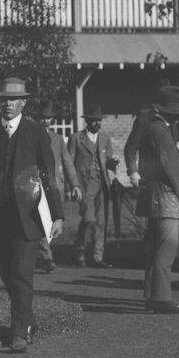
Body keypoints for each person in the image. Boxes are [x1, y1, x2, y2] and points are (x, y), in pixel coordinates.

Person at [0, 78, 64, 352]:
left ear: (23, 102)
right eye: (3, 100)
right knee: (7, 273)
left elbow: (48, 176)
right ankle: (28, 321)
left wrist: (57, 215)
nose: (8, 104)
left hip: (28, 214)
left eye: (13, 100)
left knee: (22, 273)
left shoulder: (35, 132)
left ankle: (18, 334)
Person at [136, 86, 179, 315]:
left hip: (153, 196)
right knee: (166, 250)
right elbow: (171, 166)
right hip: (167, 198)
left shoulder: (151, 127)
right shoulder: (162, 131)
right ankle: (161, 299)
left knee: (155, 249)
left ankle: (152, 296)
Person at [68, 104, 118, 268]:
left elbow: (108, 159)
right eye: (95, 121)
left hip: (102, 186)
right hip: (84, 185)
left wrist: (112, 164)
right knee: (89, 219)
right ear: (88, 122)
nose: (98, 124)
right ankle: (79, 250)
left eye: (99, 121)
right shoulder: (76, 139)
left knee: (101, 222)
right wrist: (72, 186)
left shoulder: (105, 138)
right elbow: (69, 163)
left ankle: (97, 257)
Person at [36, 102, 82, 272]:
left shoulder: (57, 139)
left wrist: (75, 185)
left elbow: (68, 163)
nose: (45, 121)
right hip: (36, 186)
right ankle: (46, 257)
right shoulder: (30, 136)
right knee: (40, 221)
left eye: (48, 118)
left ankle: (39, 255)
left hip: (54, 188)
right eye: (42, 118)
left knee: (50, 224)